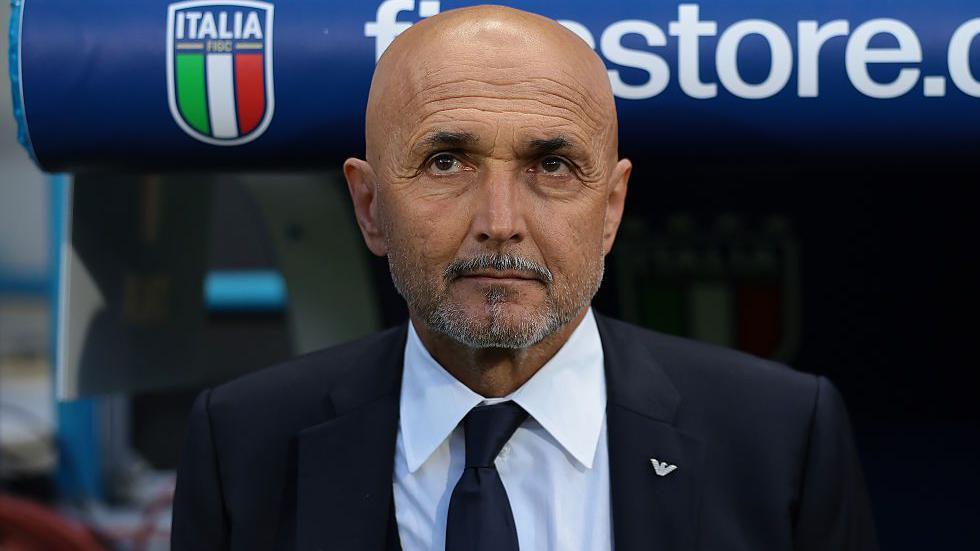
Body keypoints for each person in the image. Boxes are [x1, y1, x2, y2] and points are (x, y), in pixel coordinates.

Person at [171, 5, 877, 550]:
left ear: (611, 208)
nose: (500, 221)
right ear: (369, 206)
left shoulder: (783, 438)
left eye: (552, 165)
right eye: (446, 162)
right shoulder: (243, 444)